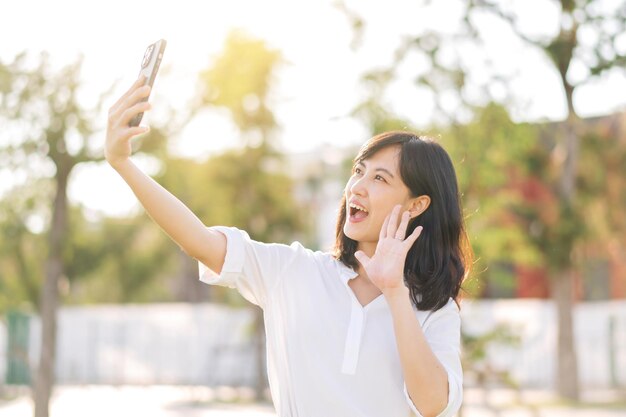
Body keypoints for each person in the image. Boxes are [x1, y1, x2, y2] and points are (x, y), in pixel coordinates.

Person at [106, 76, 471, 417]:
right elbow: (200, 241)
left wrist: (394, 291)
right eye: (358, 171)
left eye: (379, 178)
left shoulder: (434, 310)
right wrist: (123, 165)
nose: (357, 187)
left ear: (415, 205)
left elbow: (433, 405)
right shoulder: (294, 272)